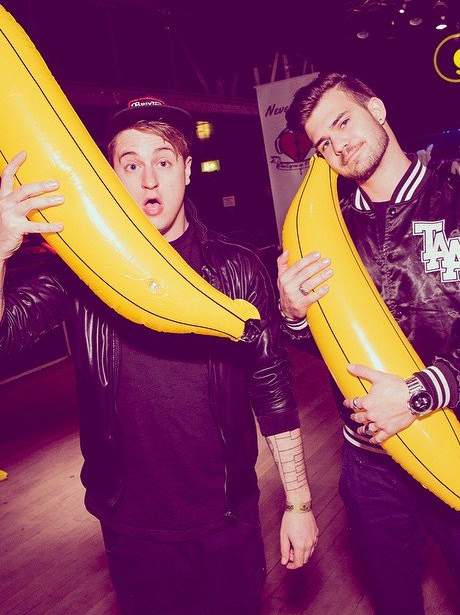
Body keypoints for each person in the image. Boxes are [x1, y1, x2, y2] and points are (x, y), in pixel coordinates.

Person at [0, 97, 318, 615]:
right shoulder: (79, 272)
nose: (149, 180)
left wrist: (299, 502)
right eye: (131, 165)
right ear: (111, 177)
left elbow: (271, 384)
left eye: (163, 161)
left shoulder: (237, 269)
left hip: (226, 516)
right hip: (130, 524)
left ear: (187, 171)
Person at [277, 73, 460, 615]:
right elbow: (327, 343)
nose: (338, 145)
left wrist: (421, 392)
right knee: (393, 602)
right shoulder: (328, 231)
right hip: (370, 466)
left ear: (377, 108)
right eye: (323, 142)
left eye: (343, 122)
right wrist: (295, 315)